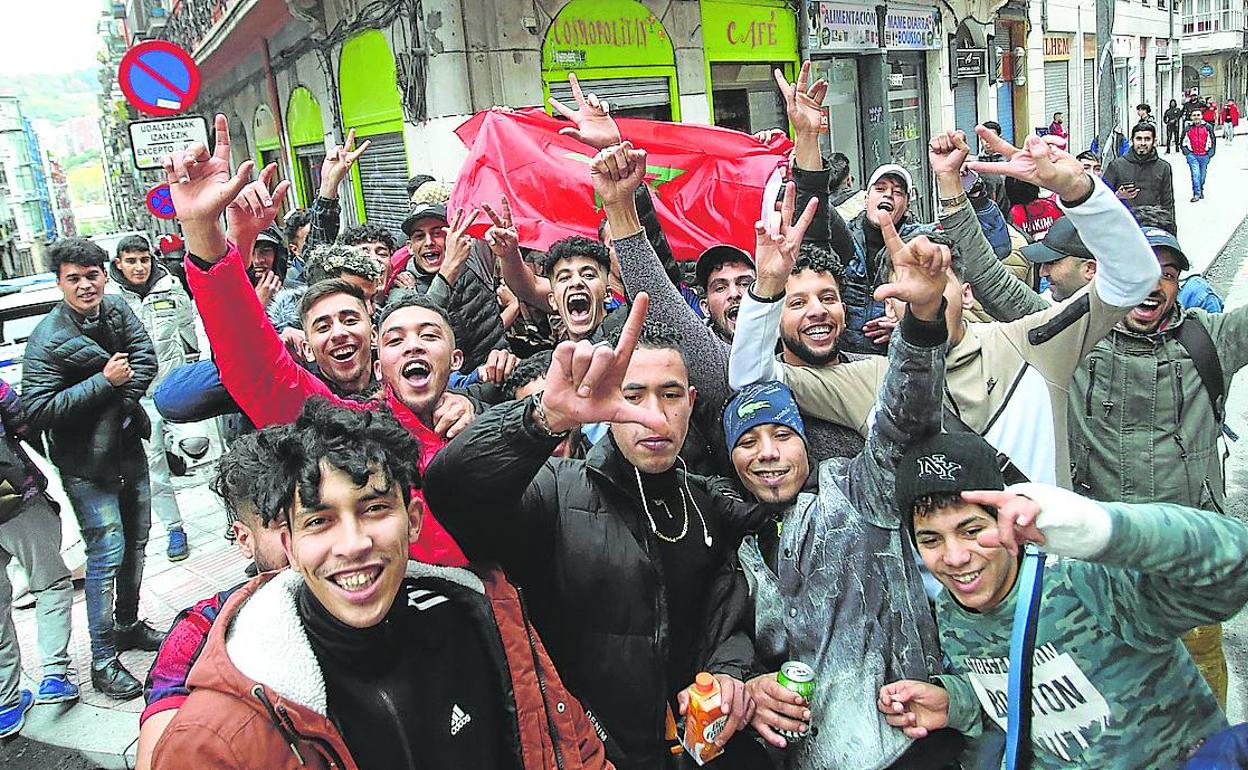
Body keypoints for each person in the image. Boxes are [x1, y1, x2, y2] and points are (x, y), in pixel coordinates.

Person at [149, 400, 610, 770]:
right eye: (320, 521)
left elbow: (573, 749)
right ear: (287, 544)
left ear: (412, 521)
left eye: (373, 509)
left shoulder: (487, 624)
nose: (353, 544)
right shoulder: (218, 734)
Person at [932, 207, 1248, 706]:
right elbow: (995, 285)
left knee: (1198, 706)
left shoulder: (1211, 338)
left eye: (1168, 275)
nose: (1155, 285)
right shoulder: (1074, 338)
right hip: (1099, 568)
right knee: (1110, 700)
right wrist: (954, 197)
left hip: (1183, 562)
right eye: (1147, 270)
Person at [730, 128, 1160, 488]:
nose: (922, 297)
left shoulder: (1028, 344)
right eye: (903, 290)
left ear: (966, 292)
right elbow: (750, 379)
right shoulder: (873, 380)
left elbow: (1134, 279)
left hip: (1045, 580)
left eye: (937, 281)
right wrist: (767, 283)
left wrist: (1079, 191)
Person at [161, 118, 475, 567]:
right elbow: (251, 360)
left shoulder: (470, 405)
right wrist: (204, 234)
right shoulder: (330, 420)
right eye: (323, 326)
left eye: (429, 336)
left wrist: (473, 415)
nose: (413, 348)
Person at [727, 189, 962, 768]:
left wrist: (924, 322)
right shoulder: (731, 544)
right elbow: (721, 648)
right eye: (748, 442)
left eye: (782, 436)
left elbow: (906, 413)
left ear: (806, 443)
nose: (768, 454)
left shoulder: (856, 489)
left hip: (906, 745)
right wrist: (751, 686)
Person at [879, 430, 1248, 769]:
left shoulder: (1086, 581)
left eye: (973, 531)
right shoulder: (950, 611)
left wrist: (1100, 530)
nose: (955, 557)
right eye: (931, 540)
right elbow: (1018, 698)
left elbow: (1234, 568)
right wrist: (953, 702)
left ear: (1003, 520)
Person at [21, 237, 164, 699]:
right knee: (106, 554)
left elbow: (146, 358)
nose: (86, 285)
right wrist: (104, 383)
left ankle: (127, 624)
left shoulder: (118, 309)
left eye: (92, 275)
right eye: (74, 278)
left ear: (105, 273)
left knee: (137, 542)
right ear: (59, 282)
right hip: (84, 463)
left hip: (126, 447)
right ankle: (102, 660)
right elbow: (37, 411)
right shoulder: (48, 338)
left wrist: (117, 396)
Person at [135, 427, 293, 770]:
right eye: (283, 524)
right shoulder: (199, 633)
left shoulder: (379, 597)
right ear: (244, 539)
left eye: (319, 518)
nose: (306, 542)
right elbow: (162, 752)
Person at [107, 234, 199, 562]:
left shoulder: (171, 286)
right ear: (119, 263)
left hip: (176, 387)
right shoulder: (109, 300)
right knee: (153, 468)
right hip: (138, 399)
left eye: (144, 259)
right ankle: (175, 529)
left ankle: (234, 516)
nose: (139, 267)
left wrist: (192, 370)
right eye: (131, 261)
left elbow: (189, 330)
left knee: (202, 451)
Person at [0, 378, 76, 737]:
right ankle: (54, 675)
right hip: (14, 502)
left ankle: (4, 703)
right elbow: (24, 422)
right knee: (50, 584)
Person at [398, 201, 509, 371]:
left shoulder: (474, 263)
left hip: (500, 372)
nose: (429, 242)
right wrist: (448, 270)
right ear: (410, 247)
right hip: (451, 390)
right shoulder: (403, 286)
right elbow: (419, 326)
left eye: (438, 233)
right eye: (420, 236)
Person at [1102, 122, 1175, 224]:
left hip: (1154, 224)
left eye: (1147, 139)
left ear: (1154, 141)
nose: (1143, 143)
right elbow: (1102, 198)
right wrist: (1117, 195)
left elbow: (1168, 202)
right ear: (1132, 140)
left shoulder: (1163, 167)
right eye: (1139, 139)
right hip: (1123, 224)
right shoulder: (1116, 166)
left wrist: (1171, 230)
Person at [1181, 107, 1217, 202]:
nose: (1196, 117)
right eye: (1194, 115)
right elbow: (1182, 141)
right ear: (1191, 117)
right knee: (1195, 174)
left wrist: (1210, 153)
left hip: (1204, 155)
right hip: (1192, 155)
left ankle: (1200, 188)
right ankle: (1196, 193)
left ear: (1201, 116)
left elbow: (1213, 140)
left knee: (1202, 175)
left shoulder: (1207, 127)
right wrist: (1186, 152)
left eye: (1198, 115)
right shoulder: (1187, 128)